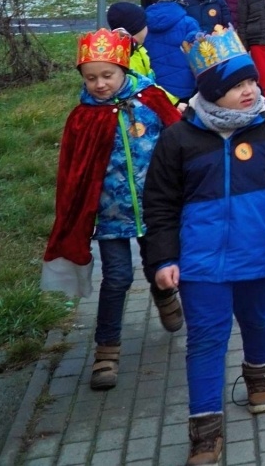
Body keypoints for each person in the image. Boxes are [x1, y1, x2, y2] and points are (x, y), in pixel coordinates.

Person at [142, 27, 265, 466]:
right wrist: (162, 258)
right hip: (199, 264)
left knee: (258, 318)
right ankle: (205, 429)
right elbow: (159, 203)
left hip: (258, 252)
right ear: (213, 90)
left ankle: (259, 375)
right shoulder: (178, 141)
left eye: (252, 82)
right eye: (238, 85)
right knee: (205, 339)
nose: (250, 91)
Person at [42, 28, 185, 393]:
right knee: (117, 277)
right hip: (110, 214)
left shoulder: (150, 100)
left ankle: (164, 294)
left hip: (156, 209)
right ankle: (107, 350)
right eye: (91, 78)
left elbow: (179, 138)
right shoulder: (83, 117)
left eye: (107, 75)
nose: (100, 84)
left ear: (123, 68)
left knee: (160, 267)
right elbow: (72, 170)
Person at [144, 0, 203, 101]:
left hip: (155, 86)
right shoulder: (189, 23)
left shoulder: (145, 21)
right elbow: (199, 55)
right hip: (185, 87)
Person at [106, 1, 155, 79]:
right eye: (145, 24)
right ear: (136, 29)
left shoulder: (138, 50)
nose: (147, 28)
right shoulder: (125, 61)